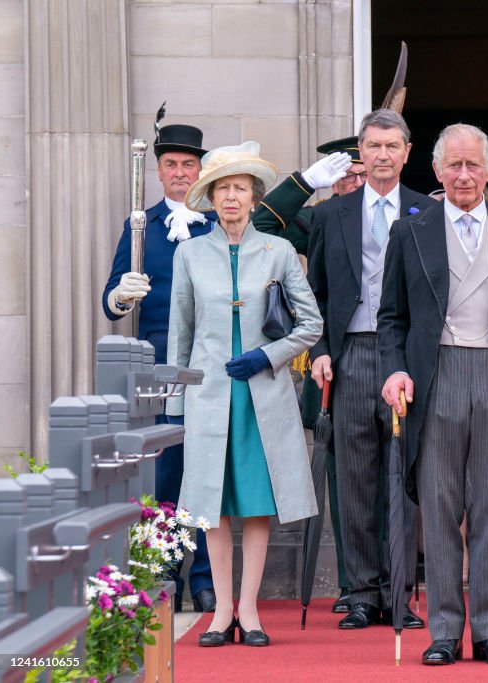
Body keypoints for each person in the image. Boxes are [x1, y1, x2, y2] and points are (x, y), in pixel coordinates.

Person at [378, 123, 488, 666]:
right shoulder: (410, 232)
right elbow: (391, 318)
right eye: (453, 165)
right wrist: (395, 369)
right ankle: (445, 631)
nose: (463, 174)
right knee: (439, 502)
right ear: (436, 170)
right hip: (436, 377)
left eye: (473, 164)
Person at [167, 141, 322, 647]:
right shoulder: (188, 253)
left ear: (254, 198)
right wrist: (175, 407)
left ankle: (250, 612)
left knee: (255, 502)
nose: (231, 198)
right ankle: (221, 613)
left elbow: (312, 324)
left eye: (240, 189)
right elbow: (180, 335)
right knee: (213, 504)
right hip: (210, 395)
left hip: (262, 394)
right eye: (222, 190)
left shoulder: (277, 251)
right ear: (210, 199)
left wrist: (268, 355)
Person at [306, 110, 435, 630]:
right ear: (362, 152)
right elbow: (312, 295)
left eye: (392, 146)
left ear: (407, 153)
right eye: (373, 146)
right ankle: (360, 592)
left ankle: (399, 591)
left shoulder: (429, 213)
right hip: (351, 354)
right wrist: (317, 348)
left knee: (402, 478)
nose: (382, 155)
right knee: (355, 478)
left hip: (405, 357)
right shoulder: (330, 215)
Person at [101, 122, 216, 613]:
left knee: (210, 469)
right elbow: (111, 304)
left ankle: (208, 577)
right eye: (170, 164)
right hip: (159, 362)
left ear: (200, 170)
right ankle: (165, 571)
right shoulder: (139, 225)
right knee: (164, 470)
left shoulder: (216, 224)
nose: (179, 172)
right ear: (158, 169)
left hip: (209, 363)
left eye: (188, 165)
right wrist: (121, 294)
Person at [254, 135, 364, 614]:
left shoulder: (403, 216)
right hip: (332, 362)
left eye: (362, 175)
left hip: (390, 361)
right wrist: (302, 183)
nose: (355, 183)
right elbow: (261, 223)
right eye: (345, 176)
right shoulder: (317, 219)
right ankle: (351, 583)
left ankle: (390, 583)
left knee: (392, 475)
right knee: (342, 480)